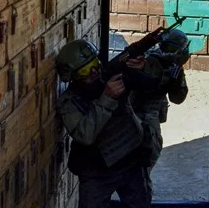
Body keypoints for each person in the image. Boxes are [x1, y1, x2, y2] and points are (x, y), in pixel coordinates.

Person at [55, 39, 158, 208]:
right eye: (86, 69)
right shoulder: (69, 102)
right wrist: (107, 99)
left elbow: (154, 84)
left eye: (95, 63)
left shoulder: (110, 74)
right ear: (74, 75)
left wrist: (142, 68)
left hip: (130, 159)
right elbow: (85, 135)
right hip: (96, 170)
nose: (94, 71)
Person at [131, 29, 191, 192]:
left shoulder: (171, 66)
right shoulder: (149, 60)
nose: (168, 52)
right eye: (166, 47)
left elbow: (177, 98)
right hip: (138, 113)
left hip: (148, 114)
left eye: (173, 49)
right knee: (148, 154)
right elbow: (150, 80)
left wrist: (176, 75)